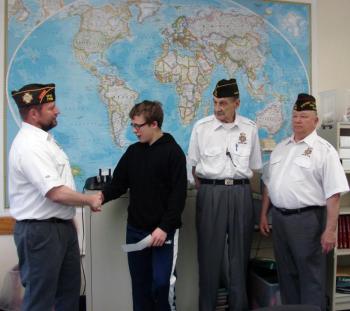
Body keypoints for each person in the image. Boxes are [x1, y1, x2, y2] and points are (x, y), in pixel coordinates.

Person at [8, 83, 103, 311]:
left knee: (68, 296)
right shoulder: (29, 146)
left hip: (59, 228)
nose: (57, 110)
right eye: (51, 107)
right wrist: (89, 199)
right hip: (40, 233)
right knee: (40, 300)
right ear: (33, 113)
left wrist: (66, 220)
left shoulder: (45, 142)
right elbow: (55, 192)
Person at [259, 93, 349, 311]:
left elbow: (334, 193)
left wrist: (330, 230)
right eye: (295, 115)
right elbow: (269, 184)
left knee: (310, 277)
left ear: (316, 121)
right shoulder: (281, 147)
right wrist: (264, 214)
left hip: (307, 221)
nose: (297, 120)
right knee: (286, 275)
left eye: (304, 116)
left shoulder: (324, 151)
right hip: (279, 219)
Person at [102, 100, 187, 311]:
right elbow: (118, 184)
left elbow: (178, 197)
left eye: (138, 126)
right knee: (140, 287)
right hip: (135, 232)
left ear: (154, 124)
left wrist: (164, 228)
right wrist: (100, 197)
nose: (134, 131)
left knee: (161, 284)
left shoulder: (174, 153)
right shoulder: (133, 152)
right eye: (132, 125)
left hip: (162, 234)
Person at [188, 78, 262, 311]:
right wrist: (210, 189)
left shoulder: (249, 129)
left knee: (239, 258)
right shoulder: (202, 128)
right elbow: (192, 167)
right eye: (215, 102)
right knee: (209, 257)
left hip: (241, 192)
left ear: (236, 103)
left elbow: (255, 166)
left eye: (223, 103)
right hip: (211, 193)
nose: (218, 108)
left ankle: (238, 307)